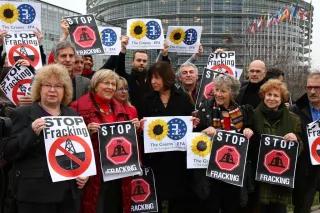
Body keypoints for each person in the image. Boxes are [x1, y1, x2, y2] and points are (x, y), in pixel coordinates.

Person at [3, 64, 87, 213]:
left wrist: (84, 172)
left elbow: (80, 150)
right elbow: (8, 152)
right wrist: (31, 132)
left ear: (65, 90)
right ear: (39, 88)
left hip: (68, 195)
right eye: (47, 85)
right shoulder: (22, 113)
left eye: (58, 86)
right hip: (35, 196)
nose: (53, 90)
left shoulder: (73, 115)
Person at [70, 69, 139, 213]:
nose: (110, 87)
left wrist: (136, 129)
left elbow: (129, 142)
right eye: (106, 83)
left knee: (116, 205)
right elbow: (70, 141)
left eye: (113, 84)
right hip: (94, 173)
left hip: (118, 171)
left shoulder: (122, 108)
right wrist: (86, 131)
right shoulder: (77, 107)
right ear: (95, 85)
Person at [141, 61, 195, 212]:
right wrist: (140, 126)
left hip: (178, 159)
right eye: (151, 78)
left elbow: (191, 122)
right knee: (156, 197)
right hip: (155, 159)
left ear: (167, 78)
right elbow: (141, 124)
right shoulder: (147, 99)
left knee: (178, 200)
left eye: (157, 78)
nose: (153, 82)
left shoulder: (183, 98)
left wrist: (194, 122)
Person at [195, 74, 254, 213]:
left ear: (232, 92)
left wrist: (248, 130)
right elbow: (195, 138)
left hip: (233, 172)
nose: (218, 94)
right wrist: (203, 130)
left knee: (231, 206)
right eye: (216, 90)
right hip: (210, 172)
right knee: (211, 206)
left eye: (223, 91)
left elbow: (250, 133)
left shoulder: (243, 111)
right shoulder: (204, 108)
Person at [252, 79, 301, 213]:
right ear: (263, 96)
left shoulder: (293, 119)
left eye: (276, 95)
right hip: (258, 178)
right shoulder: (252, 115)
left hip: (281, 179)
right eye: (269, 95)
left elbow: (301, 149)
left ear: (282, 99)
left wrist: (296, 140)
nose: (271, 98)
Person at [101, 36, 170, 118]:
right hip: (131, 119)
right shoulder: (126, 79)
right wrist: (123, 50)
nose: (141, 63)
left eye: (144, 61)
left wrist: (165, 55)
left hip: (150, 120)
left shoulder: (152, 81)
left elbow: (165, 73)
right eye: (138, 60)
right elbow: (120, 69)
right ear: (132, 62)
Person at [292, 71, 320, 213]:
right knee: (302, 207)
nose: (312, 91)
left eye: (317, 87)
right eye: (309, 87)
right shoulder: (295, 110)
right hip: (305, 168)